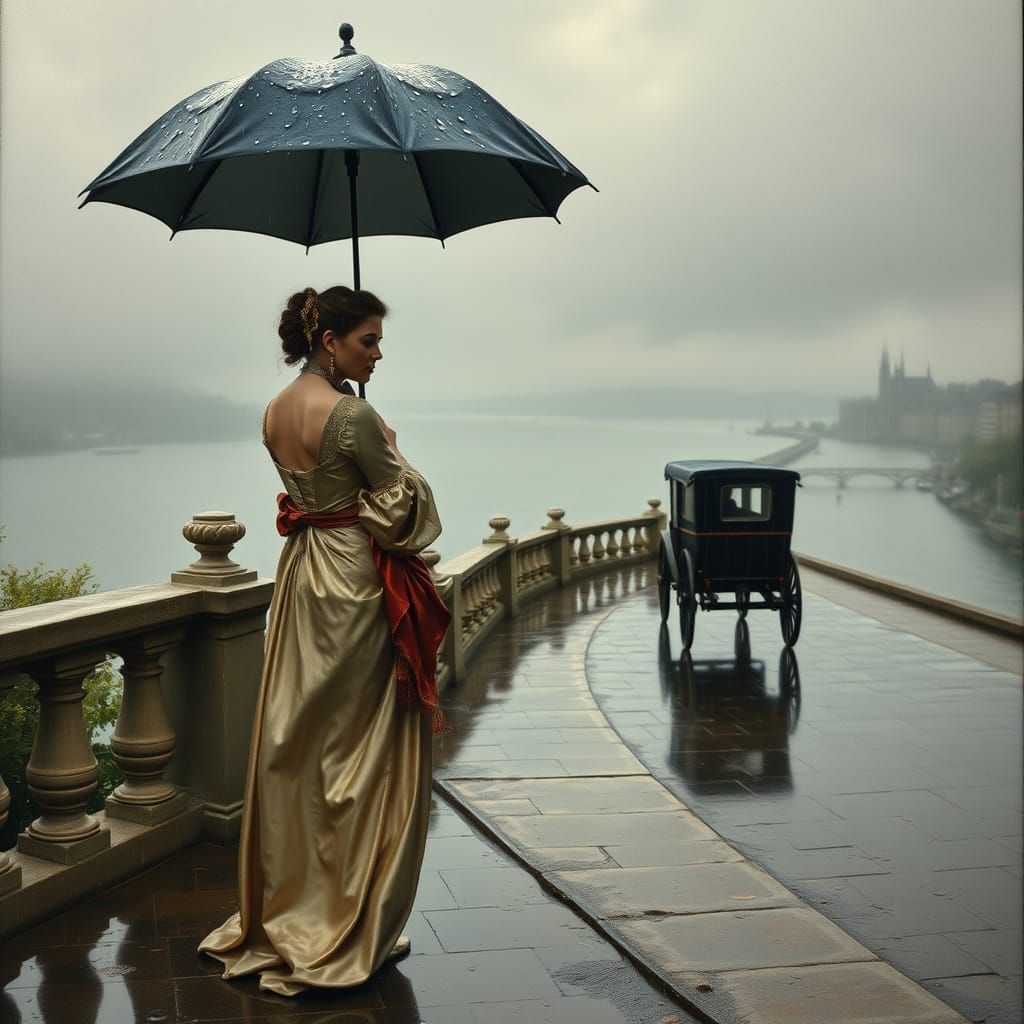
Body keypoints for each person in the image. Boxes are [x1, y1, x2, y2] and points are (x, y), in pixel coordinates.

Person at [197, 285, 451, 996]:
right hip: (354, 585)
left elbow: (314, 497)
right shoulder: (353, 415)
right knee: (358, 754)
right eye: (368, 339)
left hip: (304, 577)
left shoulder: (275, 410)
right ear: (330, 341)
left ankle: (288, 911)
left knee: (300, 745)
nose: (377, 353)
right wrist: (395, 448)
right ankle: (342, 917)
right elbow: (408, 515)